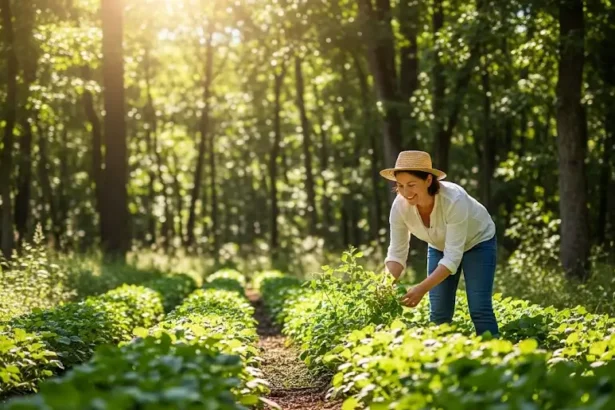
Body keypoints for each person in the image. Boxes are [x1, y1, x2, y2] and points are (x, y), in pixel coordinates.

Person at [381, 150, 498, 336]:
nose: (405, 192)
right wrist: (383, 286)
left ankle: (496, 357)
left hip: (478, 242)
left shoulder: (453, 200)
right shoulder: (399, 207)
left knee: (479, 309)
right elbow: (396, 254)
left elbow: (452, 257)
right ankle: (442, 360)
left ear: (428, 180)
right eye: (400, 185)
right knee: (439, 314)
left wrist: (421, 289)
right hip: (440, 246)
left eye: (412, 184)